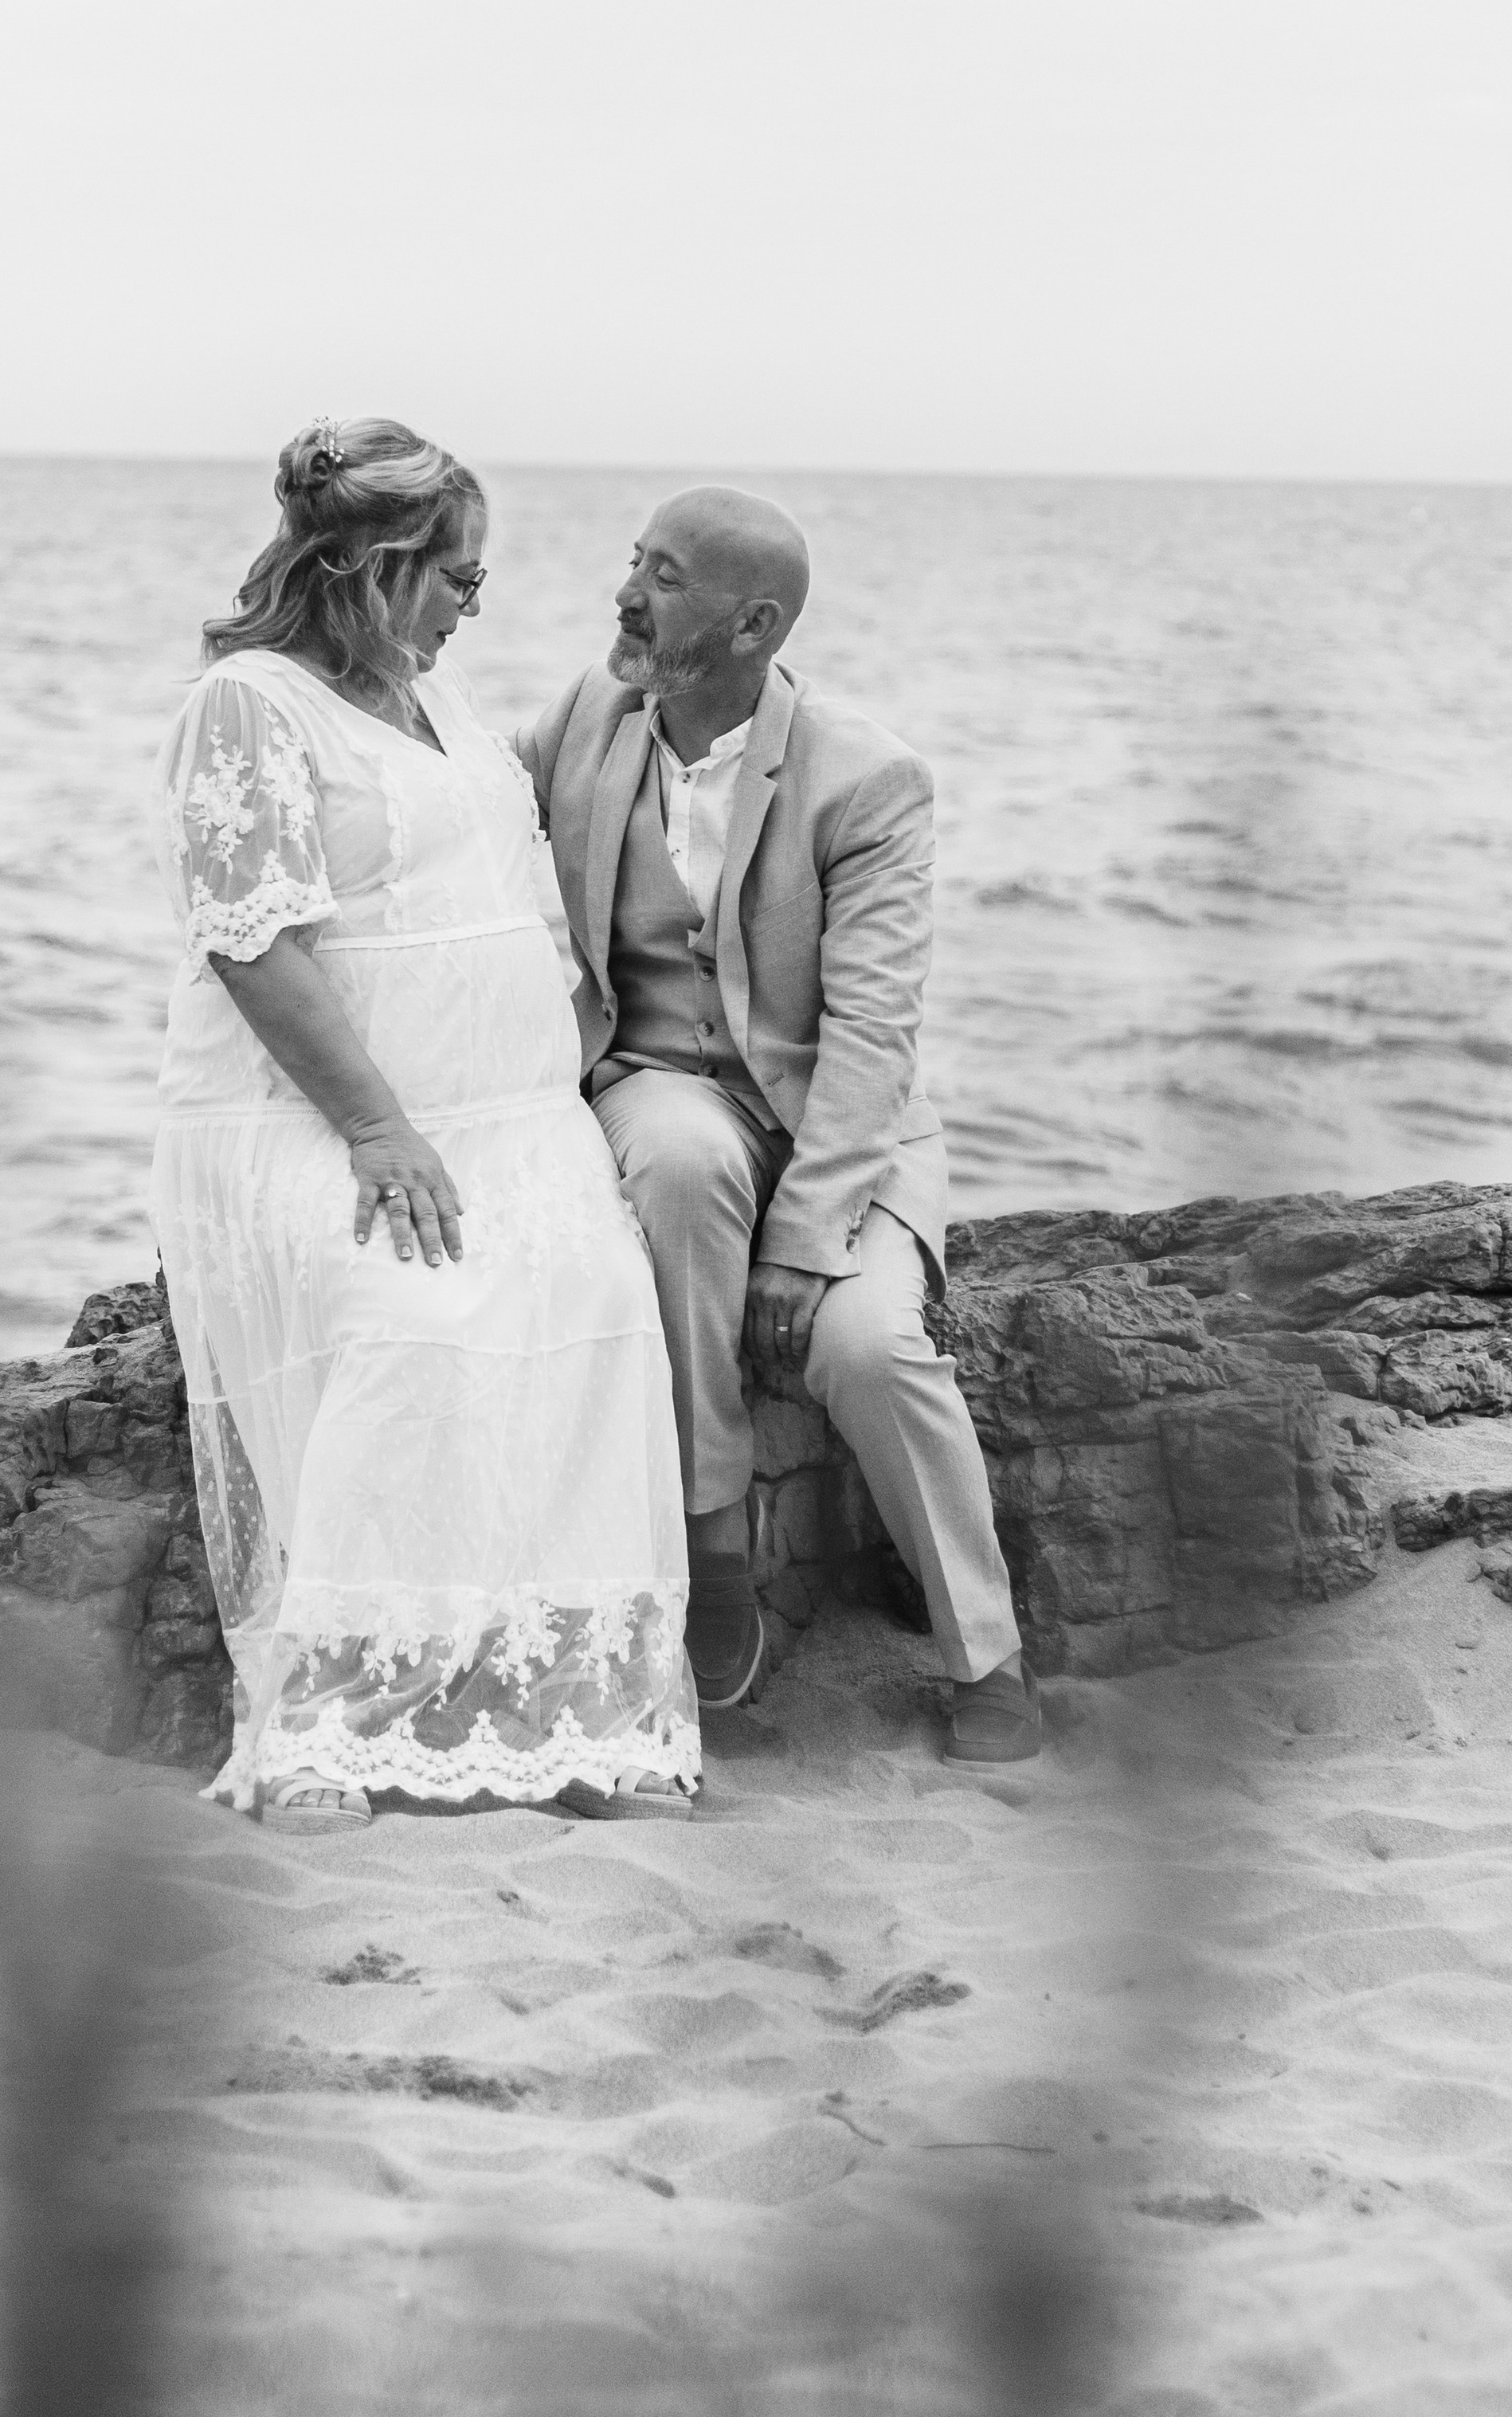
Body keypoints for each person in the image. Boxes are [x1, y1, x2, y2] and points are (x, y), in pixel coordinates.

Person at [149, 418, 700, 1829]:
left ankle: (579, 1711)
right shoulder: (251, 707)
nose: (473, 603)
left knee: (590, 1307)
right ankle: (339, 1719)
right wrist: (382, 1130)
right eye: (458, 577)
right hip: (320, 1121)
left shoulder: (438, 702)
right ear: (377, 569)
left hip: (514, 1124)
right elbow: (253, 944)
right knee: (417, 1319)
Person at [515, 486, 1043, 1763]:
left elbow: (872, 1038)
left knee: (864, 1347)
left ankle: (987, 1656)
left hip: (838, 1131)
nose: (628, 593)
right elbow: (444, 806)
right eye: (635, 560)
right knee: (687, 1166)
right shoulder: (589, 715)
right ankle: (713, 1553)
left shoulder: (869, 777)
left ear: (753, 625)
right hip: (660, 1084)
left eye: (668, 576)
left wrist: (808, 1241)